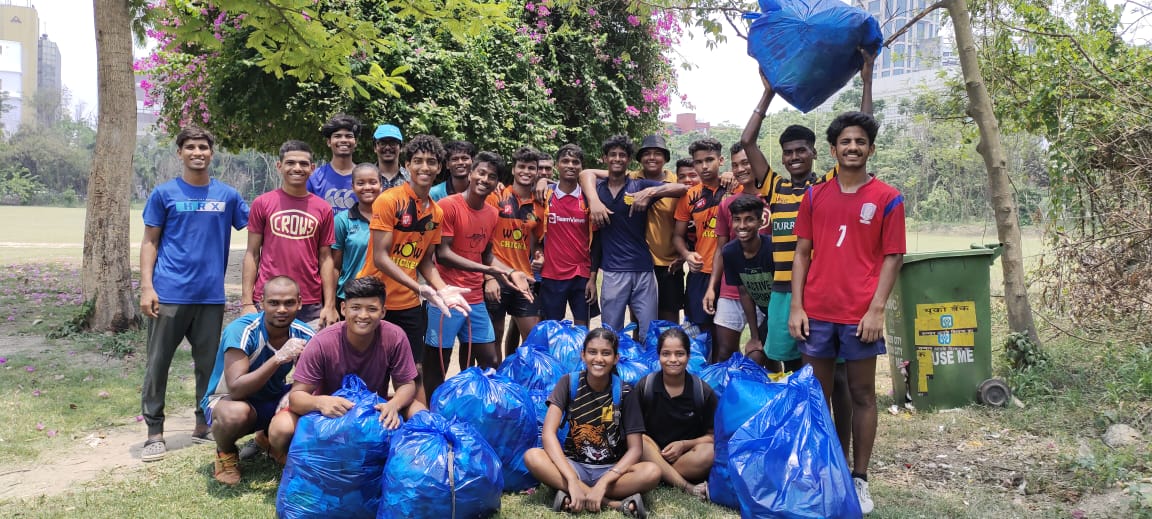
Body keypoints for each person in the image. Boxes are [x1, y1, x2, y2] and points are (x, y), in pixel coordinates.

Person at [789, 110, 904, 515]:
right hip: (817, 312)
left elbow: (893, 258)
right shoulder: (815, 195)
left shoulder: (888, 198)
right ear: (834, 150)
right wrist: (797, 306)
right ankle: (820, 471)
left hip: (860, 316)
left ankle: (859, 478)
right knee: (815, 396)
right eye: (845, 142)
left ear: (870, 149)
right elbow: (802, 253)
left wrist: (876, 311)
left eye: (860, 142)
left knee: (861, 395)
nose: (852, 147)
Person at [139, 126, 249, 462]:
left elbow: (257, 226)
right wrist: (147, 287)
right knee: (158, 364)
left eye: (203, 147)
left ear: (212, 153)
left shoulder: (228, 196)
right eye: (190, 147)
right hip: (170, 293)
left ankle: (203, 425)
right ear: (180, 153)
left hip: (210, 297)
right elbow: (150, 241)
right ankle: (154, 431)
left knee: (208, 366)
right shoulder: (164, 194)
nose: (197, 152)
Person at [357, 134, 471, 405]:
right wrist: (420, 287)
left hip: (408, 304)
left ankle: (419, 431)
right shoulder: (388, 200)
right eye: (418, 161)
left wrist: (441, 289)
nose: (424, 167)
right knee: (371, 371)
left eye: (431, 162)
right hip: (373, 298)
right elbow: (382, 257)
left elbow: (425, 261)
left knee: (412, 371)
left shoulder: (436, 213)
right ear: (407, 165)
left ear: (439, 167)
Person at [267, 277, 421, 461]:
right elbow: (296, 397)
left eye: (372, 309)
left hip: (374, 410)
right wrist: (321, 402)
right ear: (343, 309)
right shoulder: (322, 342)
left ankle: (410, 462)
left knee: (419, 412)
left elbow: (407, 385)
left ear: (383, 312)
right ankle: (290, 458)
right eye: (355, 308)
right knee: (280, 429)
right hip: (329, 413)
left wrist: (393, 405)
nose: (363, 315)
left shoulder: (395, 336)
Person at [425, 152, 533, 397]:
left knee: (490, 360)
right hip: (447, 294)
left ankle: (475, 408)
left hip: (474, 297)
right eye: (481, 173)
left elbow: (486, 255)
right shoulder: (448, 206)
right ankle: (433, 415)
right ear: (471, 173)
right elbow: (442, 254)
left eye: (492, 176)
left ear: (497, 183)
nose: (485, 179)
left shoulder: (492, 213)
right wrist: (489, 271)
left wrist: (512, 271)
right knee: (437, 363)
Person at [523, 328, 661, 518]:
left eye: (606, 353)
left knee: (652, 472)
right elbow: (548, 434)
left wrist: (604, 482)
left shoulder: (626, 392)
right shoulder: (567, 383)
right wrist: (571, 478)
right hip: (574, 466)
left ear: (616, 358)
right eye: (592, 352)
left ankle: (574, 494)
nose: (598, 359)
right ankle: (611, 503)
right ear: (583, 355)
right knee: (533, 456)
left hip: (611, 470)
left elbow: (636, 449)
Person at [201, 276, 314, 484]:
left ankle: (268, 440)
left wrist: (294, 394)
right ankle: (225, 453)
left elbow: (315, 378)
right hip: (229, 401)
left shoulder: (305, 333)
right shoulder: (241, 330)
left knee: (310, 396)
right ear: (262, 303)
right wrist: (278, 358)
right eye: (274, 303)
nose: (281, 309)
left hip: (271, 398)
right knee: (235, 414)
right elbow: (235, 389)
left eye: (289, 302)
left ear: (299, 302)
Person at [579, 135, 687, 338]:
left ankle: (648, 370)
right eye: (613, 155)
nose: (617, 159)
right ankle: (614, 369)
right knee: (612, 333)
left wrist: (651, 192)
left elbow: (682, 189)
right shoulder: (597, 191)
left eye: (622, 155)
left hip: (644, 269)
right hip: (613, 271)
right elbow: (583, 175)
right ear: (605, 158)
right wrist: (593, 201)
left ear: (629, 160)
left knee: (649, 332)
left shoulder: (639, 186)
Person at [241, 140, 339, 328]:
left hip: (310, 301)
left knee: (309, 356)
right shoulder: (262, 203)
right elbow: (252, 253)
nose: (297, 168)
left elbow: (326, 258)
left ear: (312, 168)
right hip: (270, 297)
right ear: (279, 166)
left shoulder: (323, 208)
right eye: (290, 162)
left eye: (303, 164)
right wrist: (246, 302)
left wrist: (329, 304)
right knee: (268, 355)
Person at [634, 328, 715, 498]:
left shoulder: (702, 391)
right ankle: (687, 486)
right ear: (658, 356)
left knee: (710, 452)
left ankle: (663, 475)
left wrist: (684, 445)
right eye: (666, 354)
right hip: (652, 452)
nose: (673, 360)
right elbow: (634, 431)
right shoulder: (645, 386)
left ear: (688, 356)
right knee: (638, 441)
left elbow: (712, 437)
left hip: (684, 458)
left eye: (679, 354)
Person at [704, 143, 761, 364]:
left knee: (762, 352)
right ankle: (726, 397)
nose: (740, 169)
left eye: (745, 162)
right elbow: (721, 249)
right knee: (725, 351)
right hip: (730, 289)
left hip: (764, 290)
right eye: (735, 164)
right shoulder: (727, 204)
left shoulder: (772, 198)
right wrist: (712, 287)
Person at [487, 147, 545, 355]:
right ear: (513, 169)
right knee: (494, 338)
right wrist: (488, 277)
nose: (526, 171)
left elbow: (536, 241)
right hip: (498, 276)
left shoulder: (539, 206)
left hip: (524, 279)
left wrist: (539, 254)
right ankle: (497, 383)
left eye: (531, 168)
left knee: (533, 341)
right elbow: (483, 241)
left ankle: (524, 383)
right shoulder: (496, 197)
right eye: (522, 166)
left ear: (537, 172)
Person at [673, 138, 728, 347]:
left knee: (726, 335)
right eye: (699, 162)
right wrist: (687, 255)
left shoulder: (737, 189)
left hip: (730, 274)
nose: (704, 166)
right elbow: (678, 236)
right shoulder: (689, 197)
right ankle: (701, 377)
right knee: (699, 333)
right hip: (700, 271)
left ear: (720, 160)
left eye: (709, 160)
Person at [540, 144, 597, 327]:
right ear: (557, 165)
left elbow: (598, 242)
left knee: (582, 330)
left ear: (582, 167)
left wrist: (593, 277)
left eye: (575, 162)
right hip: (552, 274)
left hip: (582, 274)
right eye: (565, 161)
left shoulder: (589, 198)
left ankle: (580, 357)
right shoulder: (545, 195)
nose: (570, 165)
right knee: (551, 329)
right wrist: (541, 180)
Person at [720, 197, 774, 366]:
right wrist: (754, 336)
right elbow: (744, 292)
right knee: (756, 355)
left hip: (783, 312)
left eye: (749, 219)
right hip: (766, 312)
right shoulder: (730, 252)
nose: (742, 226)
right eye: (737, 220)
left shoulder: (773, 249)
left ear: (760, 222)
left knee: (783, 357)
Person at [332, 163, 382, 310]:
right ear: (353, 187)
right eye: (360, 183)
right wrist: (330, 304)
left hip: (383, 296)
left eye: (373, 182)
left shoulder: (392, 219)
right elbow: (335, 266)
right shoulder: (342, 220)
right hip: (349, 296)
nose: (367, 187)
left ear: (381, 185)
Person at [307, 114, 361, 212]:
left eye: (348, 136)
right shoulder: (314, 178)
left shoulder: (367, 178)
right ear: (328, 142)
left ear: (355, 142)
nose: (343, 140)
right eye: (337, 136)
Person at [373, 123, 410, 190]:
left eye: (393, 143)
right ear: (375, 148)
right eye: (382, 143)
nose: (387, 147)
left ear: (401, 147)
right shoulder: (366, 177)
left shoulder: (411, 179)